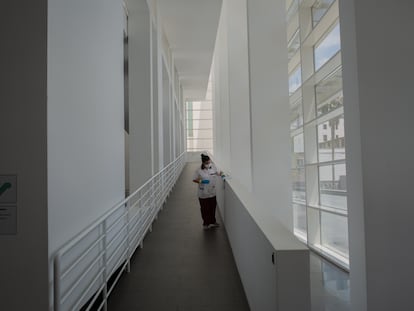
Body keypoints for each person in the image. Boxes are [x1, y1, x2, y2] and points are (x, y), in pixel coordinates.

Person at [192, 153, 222, 229]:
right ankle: (206, 224)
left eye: (209, 162)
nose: (208, 164)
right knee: (205, 209)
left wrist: (221, 174)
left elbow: (216, 173)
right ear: (203, 162)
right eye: (207, 163)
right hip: (203, 193)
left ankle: (213, 222)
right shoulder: (198, 170)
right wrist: (201, 181)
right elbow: (194, 179)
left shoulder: (213, 166)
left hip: (212, 192)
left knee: (212, 208)